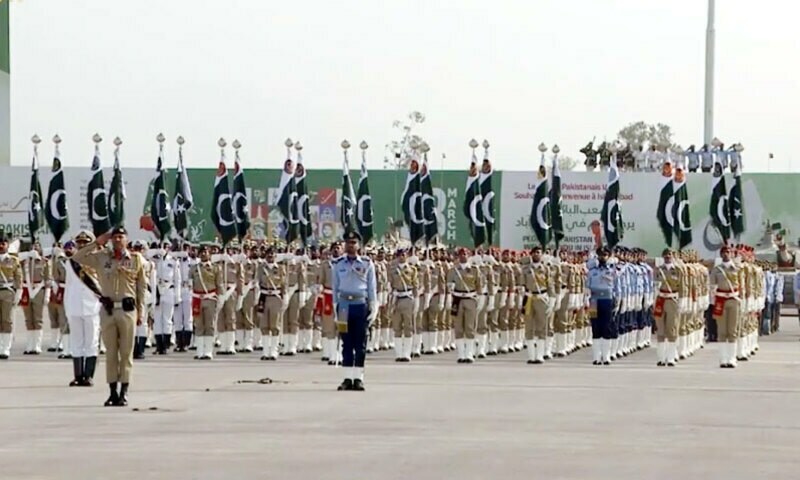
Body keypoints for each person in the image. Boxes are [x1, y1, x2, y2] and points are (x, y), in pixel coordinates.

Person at [72, 226, 147, 407]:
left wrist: (141, 311)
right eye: (115, 237)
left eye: (121, 237)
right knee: (111, 353)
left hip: (128, 311)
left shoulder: (136, 260)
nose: (118, 240)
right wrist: (97, 242)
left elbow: (141, 288)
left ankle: (124, 392)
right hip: (108, 311)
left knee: (126, 353)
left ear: (127, 240)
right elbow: (76, 257)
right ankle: (112, 392)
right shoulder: (101, 257)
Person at [332, 231, 377, 391]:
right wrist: (335, 310)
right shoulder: (338, 264)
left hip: (360, 306)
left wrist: (374, 307)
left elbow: (372, 288)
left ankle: (358, 377)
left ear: (359, 245)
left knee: (360, 343)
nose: (350, 245)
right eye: (348, 242)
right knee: (346, 342)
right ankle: (347, 378)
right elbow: (335, 288)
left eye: (354, 242)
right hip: (344, 307)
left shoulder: (367, 263)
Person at [63, 233, 102, 387]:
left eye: (85, 243)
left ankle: (89, 375)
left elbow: (100, 285)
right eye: (79, 243)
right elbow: (69, 286)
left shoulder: (97, 260)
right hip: (74, 306)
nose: (81, 245)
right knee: (76, 341)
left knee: (91, 342)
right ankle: (78, 376)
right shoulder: (71, 263)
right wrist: (67, 308)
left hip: (92, 306)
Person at [446, 247, 482, 363]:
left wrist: (480, 300)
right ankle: (461, 354)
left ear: (469, 255)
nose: (463, 256)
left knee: (470, 327)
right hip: (457, 299)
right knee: (458, 327)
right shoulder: (453, 270)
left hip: (470, 298)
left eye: (465, 254)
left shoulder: (474, 270)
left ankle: (469, 353)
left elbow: (479, 286)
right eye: (461, 254)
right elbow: (449, 285)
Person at [709, 245, 741, 368]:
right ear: (721, 255)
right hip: (721, 300)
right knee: (722, 331)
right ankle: (723, 358)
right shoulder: (716, 270)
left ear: (732, 254)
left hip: (734, 299)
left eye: (728, 252)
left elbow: (742, 284)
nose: (726, 254)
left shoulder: (737, 269)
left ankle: (732, 358)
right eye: (724, 252)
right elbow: (712, 286)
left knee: (732, 331)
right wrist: (713, 300)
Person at [190, 243, 223, 360]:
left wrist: (220, 299)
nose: (204, 254)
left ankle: (208, 351)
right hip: (197, 299)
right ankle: (200, 351)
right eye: (202, 252)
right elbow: (190, 284)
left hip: (210, 298)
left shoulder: (215, 268)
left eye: (206, 252)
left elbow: (219, 285)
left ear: (210, 254)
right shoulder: (194, 268)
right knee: (198, 325)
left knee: (209, 325)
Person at [587, 246, 617, 365]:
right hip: (594, 301)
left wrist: (619, 300)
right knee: (595, 327)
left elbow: (617, 286)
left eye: (604, 255)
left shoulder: (612, 271)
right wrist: (586, 299)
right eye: (600, 255)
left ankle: (606, 356)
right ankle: (596, 357)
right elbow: (587, 286)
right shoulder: (592, 271)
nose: (602, 257)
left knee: (607, 327)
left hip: (607, 300)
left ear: (608, 256)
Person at [388, 247, 418, 362]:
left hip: (407, 298)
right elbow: (390, 285)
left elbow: (415, 286)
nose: (402, 257)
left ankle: (406, 353)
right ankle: (398, 353)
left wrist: (416, 301)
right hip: (396, 298)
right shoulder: (392, 270)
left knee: (408, 326)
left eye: (404, 255)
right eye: (400, 255)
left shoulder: (412, 269)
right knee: (397, 326)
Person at [153, 241, 181, 355]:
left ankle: (165, 344)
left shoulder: (173, 261)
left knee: (167, 319)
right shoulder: (154, 259)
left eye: (166, 246)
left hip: (169, 289)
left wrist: (177, 296)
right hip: (157, 290)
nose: (164, 248)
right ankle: (159, 345)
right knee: (157, 319)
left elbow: (177, 279)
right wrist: (156, 252)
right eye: (162, 246)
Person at [0, 232, 23, 359]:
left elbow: (18, 277)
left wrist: (19, 292)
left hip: (8, 291)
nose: (1, 246)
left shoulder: (13, 260)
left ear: (7, 245)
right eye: (0, 243)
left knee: (7, 320)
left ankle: (5, 348)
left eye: (3, 243)